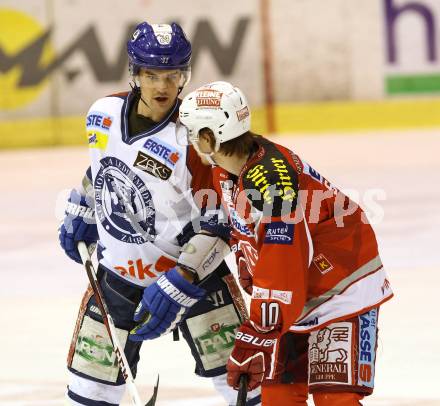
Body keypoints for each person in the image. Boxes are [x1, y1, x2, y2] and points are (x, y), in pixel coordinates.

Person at [59, 24, 261, 405]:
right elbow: (101, 169)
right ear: (135, 73)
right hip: (117, 277)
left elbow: (222, 218)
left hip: (194, 280)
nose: (162, 86)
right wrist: (85, 207)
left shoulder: (193, 138)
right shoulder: (101, 115)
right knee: (90, 393)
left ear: (184, 75)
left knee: (246, 385)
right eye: (151, 75)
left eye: (172, 75)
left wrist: (185, 276)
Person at [177, 81, 394, 405]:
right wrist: (249, 263)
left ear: (209, 137)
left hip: (341, 286)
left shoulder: (273, 182)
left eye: (194, 134)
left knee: (335, 400)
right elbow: (248, 230)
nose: (192, 143)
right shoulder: (227, 170)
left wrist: (256, 335)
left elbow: (284, 263)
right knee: (278, 397)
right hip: (294, 295)